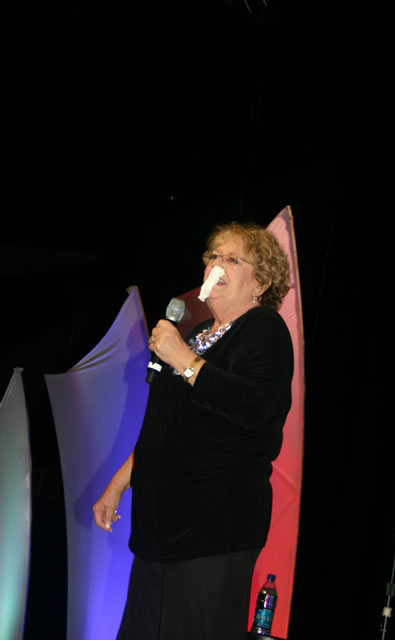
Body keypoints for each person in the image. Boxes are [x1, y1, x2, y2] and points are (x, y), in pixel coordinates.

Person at [93, 221, 294, 640]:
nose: (217, 265)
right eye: (213, 256)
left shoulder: (263, 329)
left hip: (213, 526)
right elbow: (164, 425)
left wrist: (183, 360)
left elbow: (255, 407)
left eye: (232, 259)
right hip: (161, 526)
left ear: (261, 283)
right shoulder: (198, 335)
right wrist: (118, 483)